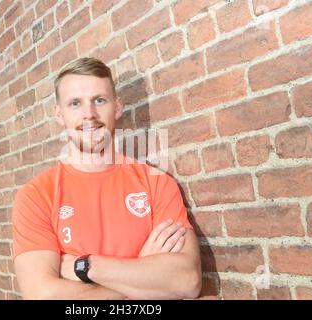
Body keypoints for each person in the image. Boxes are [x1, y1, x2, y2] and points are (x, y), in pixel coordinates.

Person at [12, 57, 202, 300]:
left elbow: (187, 280)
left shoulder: (156, 183)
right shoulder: (37, 196)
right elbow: (42, 295)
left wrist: (87, 268)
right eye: (75, 104)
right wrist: (142, 275)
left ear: (118, 106)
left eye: (99, 100)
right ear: (59, 115)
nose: (89, 114)